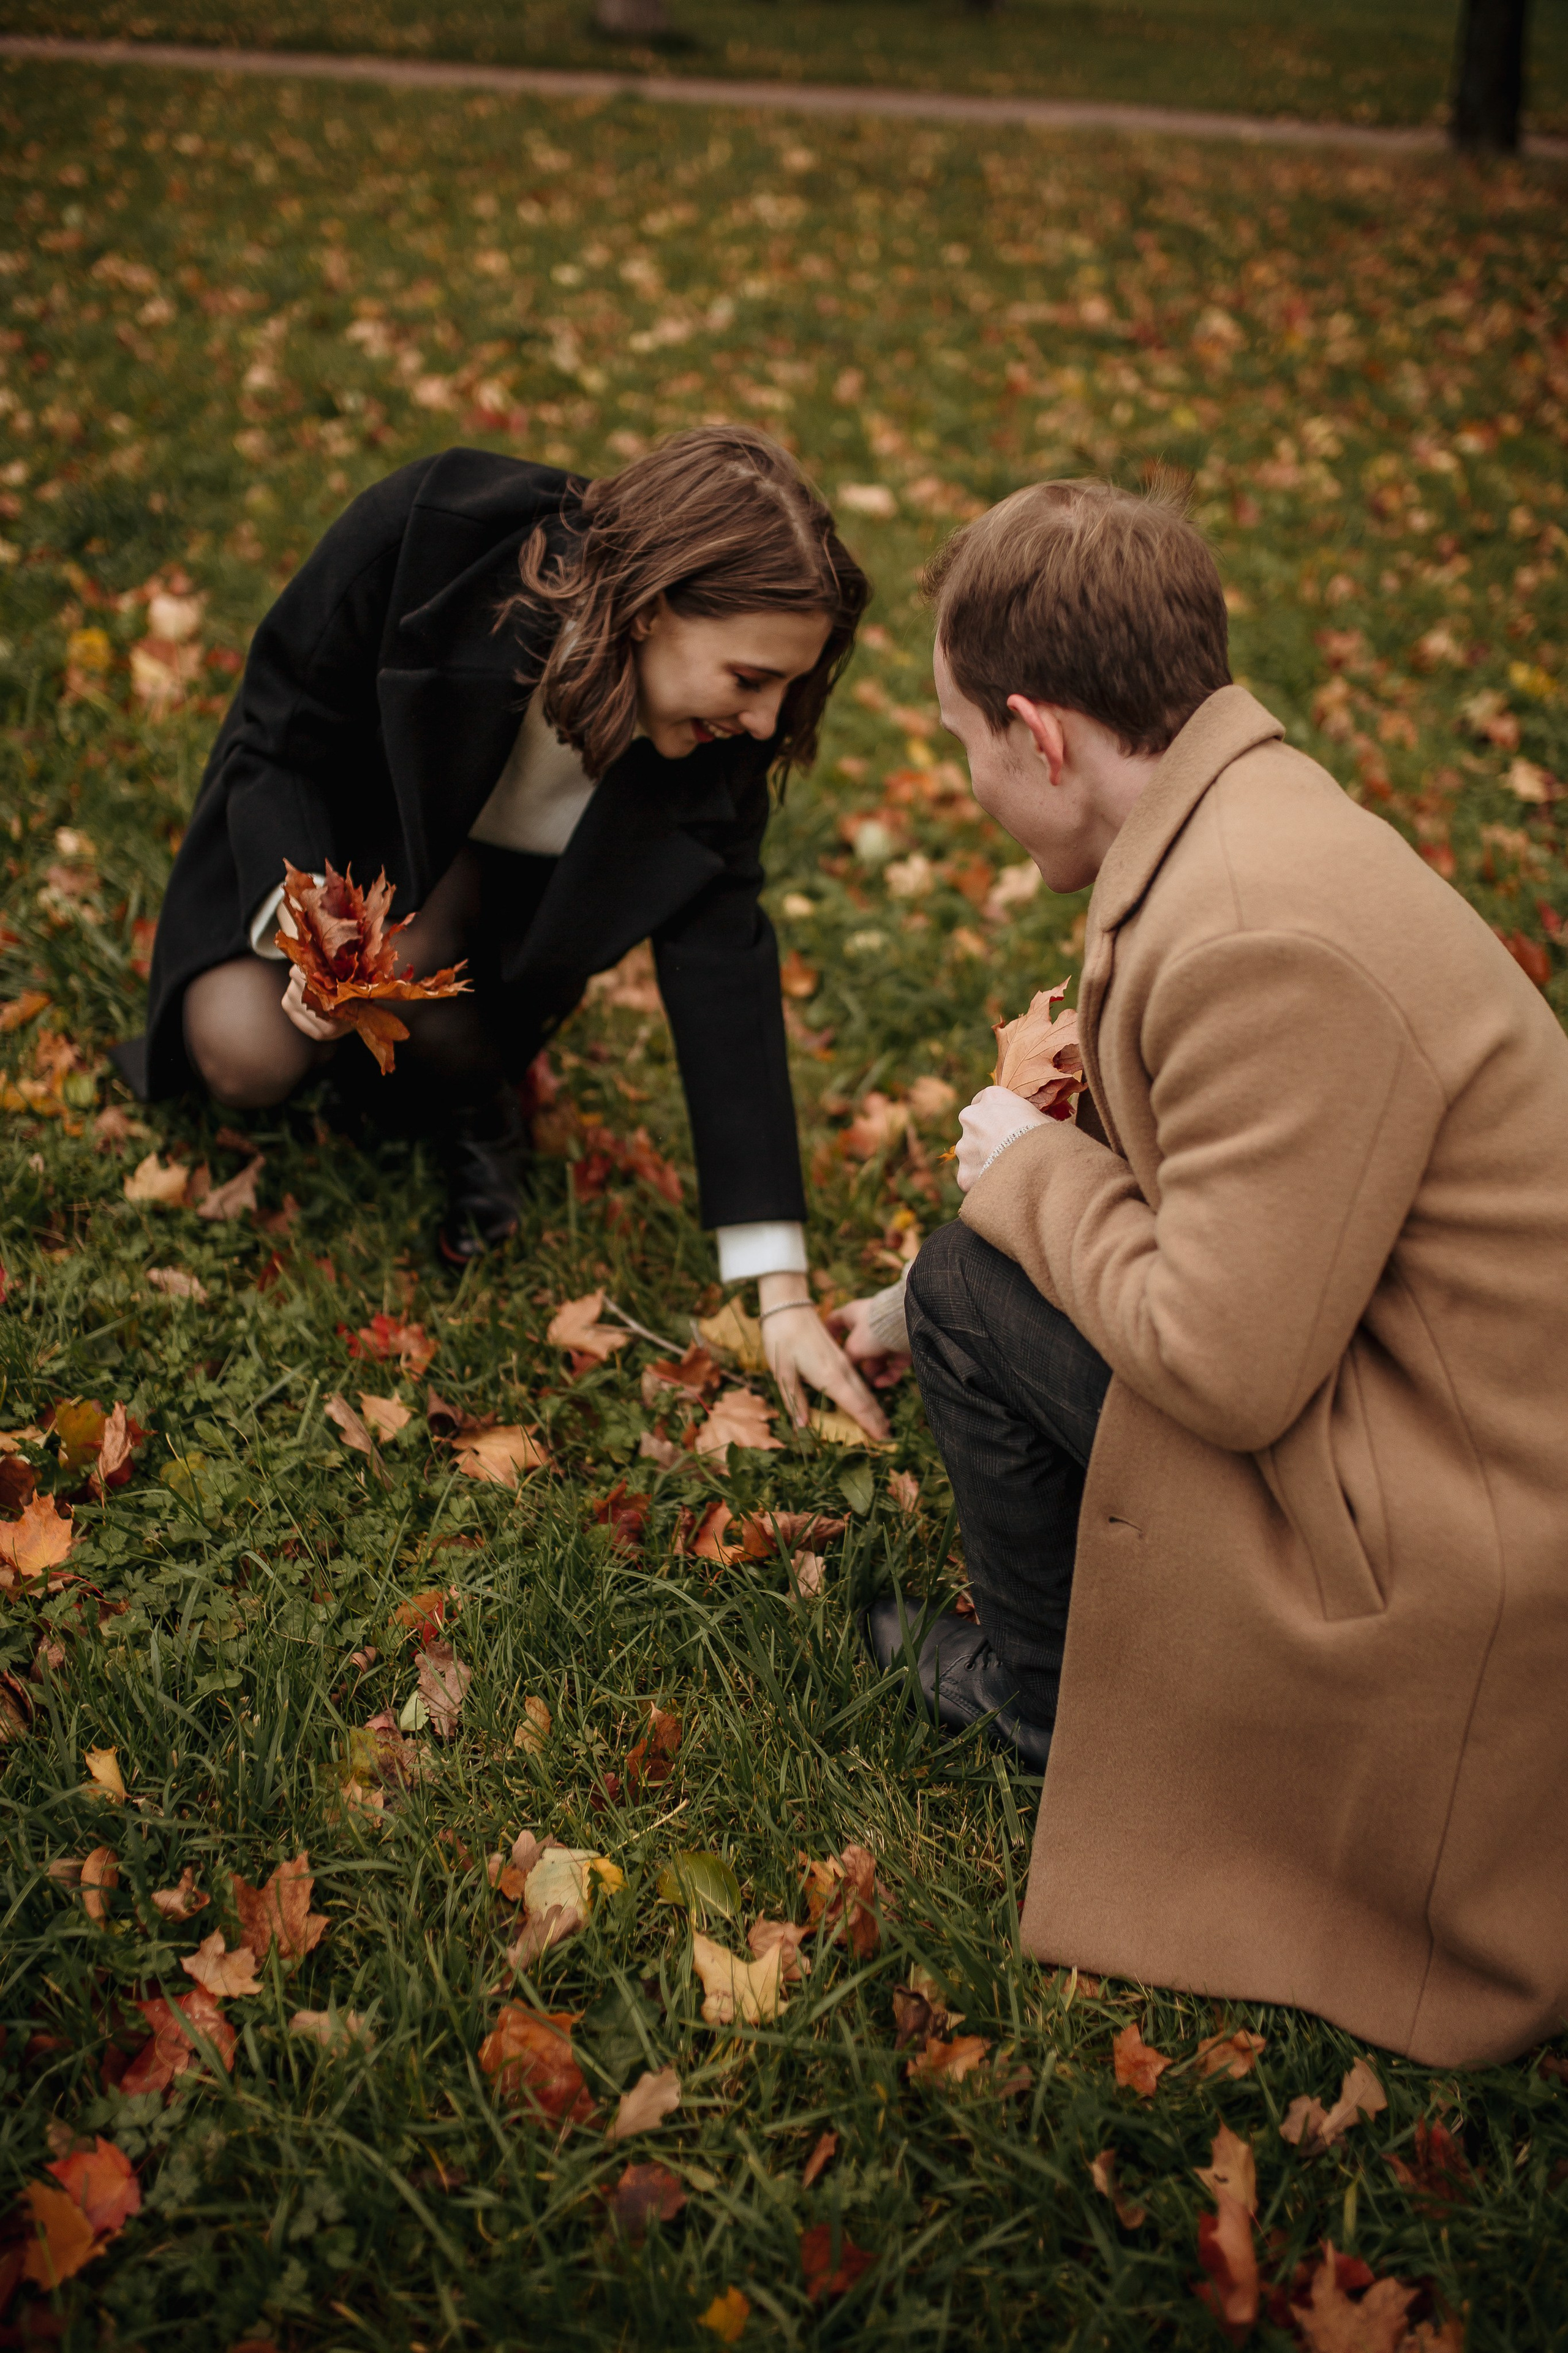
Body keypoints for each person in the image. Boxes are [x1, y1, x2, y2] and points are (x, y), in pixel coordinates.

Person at [834, 477, 1568, 2066]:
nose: (965, 778)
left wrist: (1029, 1184)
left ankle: (1040, 1696)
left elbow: (1229, 1361)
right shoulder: (1255, 821)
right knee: (959, 1280)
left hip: (1454, 1530)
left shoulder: (1255, 933)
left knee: (980, 1284)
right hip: (1441, 1416)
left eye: (962, 740)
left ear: (1039, 735)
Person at [116, 428, 889, 1442]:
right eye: (750, 678)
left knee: (428, 1001)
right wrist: (306, 917)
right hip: (342, 845)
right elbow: (281, 730)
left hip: (502, 922)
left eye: (790, 687)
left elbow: (722, 963)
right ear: (652, 607)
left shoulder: (725, 737)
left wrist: (780, 1289)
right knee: (244, 1053)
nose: (765, 720)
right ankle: (378, 1031)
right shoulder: (437, 532)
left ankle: (475, 1089)